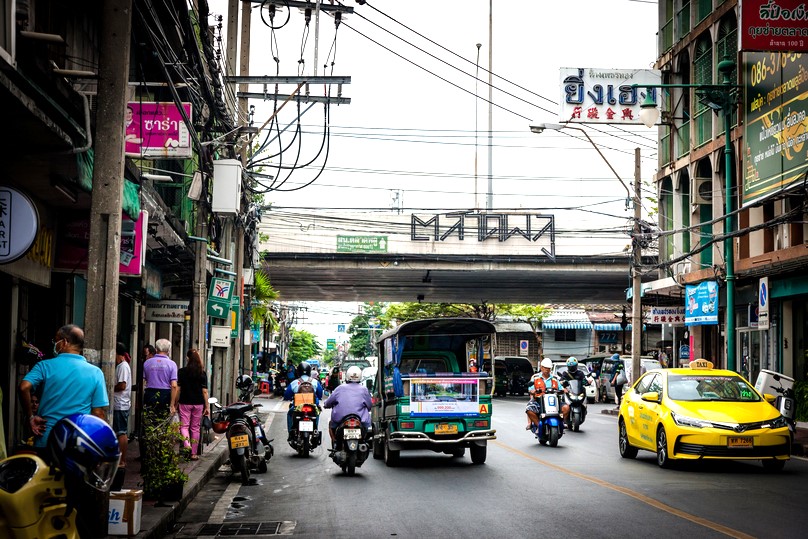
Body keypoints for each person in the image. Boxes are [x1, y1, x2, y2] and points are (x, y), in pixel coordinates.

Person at [18, 324, 108, 450]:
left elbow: (24, 387)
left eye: (56, 340)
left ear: (64, 342)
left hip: (47, 438)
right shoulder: (96, 373)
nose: (54, 344)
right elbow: (98, 413)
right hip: (78, 441)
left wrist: (31, 417)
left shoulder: (44, 366)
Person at [172, 348, 209, 460]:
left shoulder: (182, 372)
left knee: (184, 426)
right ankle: (193, 453)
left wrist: (175, 402)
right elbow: (205, 391)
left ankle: (187, 446)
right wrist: (207, 406)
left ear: (187, 358)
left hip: (185, 402)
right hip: (198, 403)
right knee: (195, 428)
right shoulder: (202, 373)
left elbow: (178, 389)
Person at [323, 365, 372, 450]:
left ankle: (335, 443)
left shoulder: (339, 388)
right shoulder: (364, 389)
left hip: (340, 419)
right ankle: (363, 441)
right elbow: (369, 405)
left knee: (332, 425)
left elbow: (328, 402)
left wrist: (326, 405)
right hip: (360, 419)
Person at [283, 361, 324, 440]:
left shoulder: (295, 382)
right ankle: (315, 430)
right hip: (312, 406)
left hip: (298, 407)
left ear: (298, 371)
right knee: (317, 413)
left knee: (290, 414)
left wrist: (289, 397)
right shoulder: (315, 382)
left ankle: (291, 433)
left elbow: (287, 395)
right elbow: (320, 394)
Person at [525, 358, 569, 430]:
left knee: (566, 408)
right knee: (529, 409)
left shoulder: (555, 378)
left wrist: (564, 390)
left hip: (553, 401)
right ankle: (538, 425)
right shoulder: (535, 378)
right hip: (538, 400)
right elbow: (530, 388)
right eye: (545, 368)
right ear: (541, 367)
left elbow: (560, 387)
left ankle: (561, 423)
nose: (547, 370)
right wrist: (532, 391)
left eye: (549, 368)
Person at [143, 338, 178, 418]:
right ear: (168, 350)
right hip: (165, 395)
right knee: (163, 421)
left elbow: (144, 381)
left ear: (156, 349)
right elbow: (174, 385)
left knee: (150, 420)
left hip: (150, 393)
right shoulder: (172, 364)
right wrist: (172, 404)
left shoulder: (147, 363)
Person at [114, 342, 132, 468]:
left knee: (121, 432)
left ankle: (122, 460)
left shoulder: (123, 366)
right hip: (119, 403)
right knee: (119, 432)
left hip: (120, 404)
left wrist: (110, 388)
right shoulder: (121, 366)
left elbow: (122, 385)